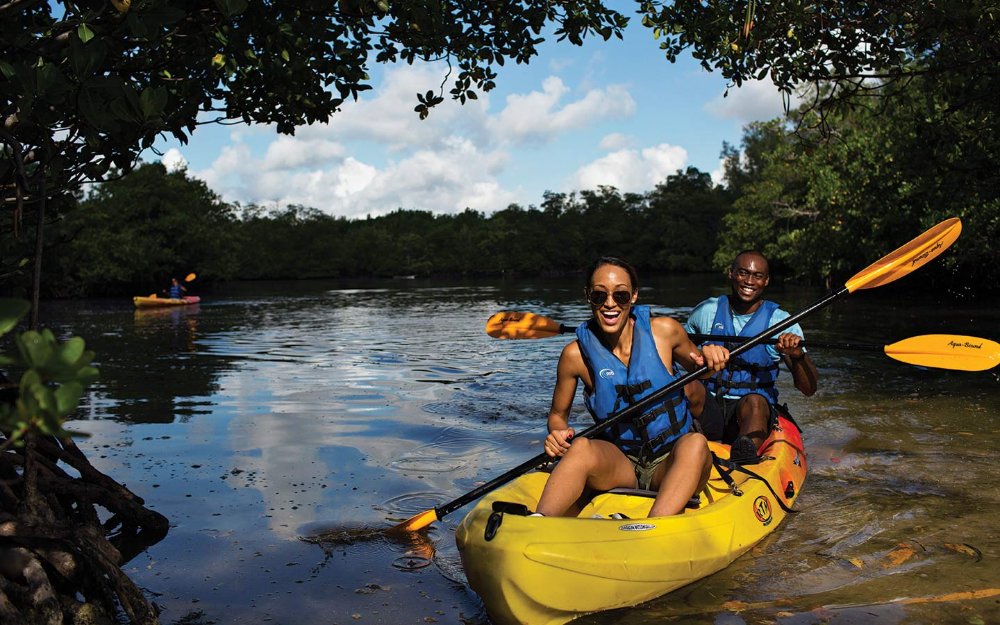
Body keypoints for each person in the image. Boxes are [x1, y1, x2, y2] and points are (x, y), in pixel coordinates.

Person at [533, 256, 730, 518]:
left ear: (634, 296)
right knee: (581, 446)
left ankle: (655, 528)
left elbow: (701, 370)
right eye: (599, 296)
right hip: (621, 463)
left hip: (671, 459)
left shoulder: (665, 332)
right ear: (588, 296)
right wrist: (557, 435)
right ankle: (538, 523)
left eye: (621, 296)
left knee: (695, 443)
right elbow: (558, 417)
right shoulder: (574, 356)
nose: (610, 304)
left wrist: (712, 356)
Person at [685, 250, 819, 462]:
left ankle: (742, 457)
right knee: (685, 386)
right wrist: (700, 355)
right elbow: (683, 358)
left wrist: (797, 355)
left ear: (766, 281)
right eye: (743, 273)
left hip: (749, 413)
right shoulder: (706, 311)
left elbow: (808, 389)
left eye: (757, 276)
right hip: (709, 406)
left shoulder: (781, 322)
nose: (749, 281)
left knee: (756, 402)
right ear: (731, 274)